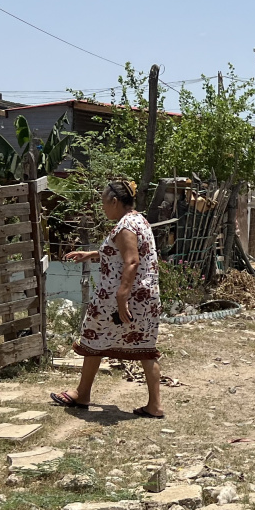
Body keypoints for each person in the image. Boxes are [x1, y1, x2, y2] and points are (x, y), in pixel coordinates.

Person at [53, 179, 164, 418]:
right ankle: (154, 405)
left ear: (115, 201)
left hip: (119, 298)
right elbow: (121, 252)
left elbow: (132, 261)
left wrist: (122, 296)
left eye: (104, 203)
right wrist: (92, 254)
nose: (103, 208)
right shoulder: (139, 220)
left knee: (92, 340)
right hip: (146, 298)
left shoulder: (125, 226)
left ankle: (82, 394)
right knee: (145, 348)